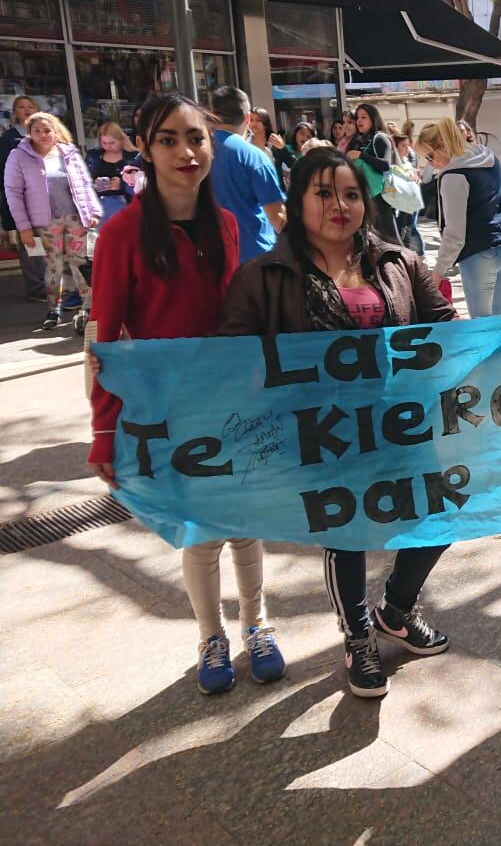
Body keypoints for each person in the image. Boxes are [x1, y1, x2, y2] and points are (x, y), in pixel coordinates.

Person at [217, 149, 453, 697]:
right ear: (297, 202)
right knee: (346, 532)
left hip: (399, 421)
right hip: (322, 431)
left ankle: (396, 609)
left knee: (439, 513)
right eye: (323, 193)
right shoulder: (263, 277)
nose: (339, 205)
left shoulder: (397, 262)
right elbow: (229, 357)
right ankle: (358, 637)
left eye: (350, 193)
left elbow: (446, 326)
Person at [88, 93, 286, 696]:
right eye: (169, 139)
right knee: (201, 531)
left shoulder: (226, 226)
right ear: (144, 149)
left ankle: (259, 624)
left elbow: (238, 316)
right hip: (168, 411)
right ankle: (212, 636)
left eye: (196, 137)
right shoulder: (120, 233)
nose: (186, 151)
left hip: (232, 401)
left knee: (246, 524)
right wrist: (104, 432)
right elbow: (105, 342)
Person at [4, 112, 101, 330]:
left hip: (75, 219)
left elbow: (85, 184)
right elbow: (13, 193)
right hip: (45, 222)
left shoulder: (69, 153)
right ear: (29, 133)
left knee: (81, 265)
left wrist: (92, 210)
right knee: (53, 266)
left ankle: (87, 309)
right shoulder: (18, 156)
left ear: (55, 131)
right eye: (36, 130)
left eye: (47, 130)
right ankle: (53, 309)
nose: (42, 135)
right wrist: (24, 227)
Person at [418, 118, 501, 316]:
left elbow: (455, 234)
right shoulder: (487, 154)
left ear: (441, 145)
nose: (431, 162)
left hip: (480, 253)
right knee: (500, 321)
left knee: (482, 327)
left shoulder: (453, 176)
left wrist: (438, 272)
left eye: (430, 156)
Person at [208, 87, 286, 261]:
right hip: (255, 257)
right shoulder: (255, 157)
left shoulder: (199, 154)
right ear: (247, 118)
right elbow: (278, 216)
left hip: (213, 259)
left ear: (213, 115)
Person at [1, 96, 49, 300]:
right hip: (22, 197)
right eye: (22, 107)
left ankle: (50, 283)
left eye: (30, 106)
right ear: (15, 113)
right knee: (30, 241)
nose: (27, 110)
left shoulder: (46, 134)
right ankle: (36, 287)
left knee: (47, 241)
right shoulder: (8, 139)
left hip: (44, 196)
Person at [346, 103, 402, 244]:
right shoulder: (358, 140)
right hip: (364, 197)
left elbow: (385, 165)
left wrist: (361, 156)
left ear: (374, 119)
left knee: (391, 240)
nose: (359, 121)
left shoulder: (379, 138)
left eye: (364, 117)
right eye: (357, 117)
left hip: (380, 197)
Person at [86, 122, 142, 224]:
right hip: (99, 206)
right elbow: (84, 181)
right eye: (104, 143)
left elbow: (142, 185)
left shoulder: (134, 157)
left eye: (111, 143)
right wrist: (95, 184)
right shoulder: (93, 156)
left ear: (121, 140)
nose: (108, 146)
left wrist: (122, 184)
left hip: (126, 204)